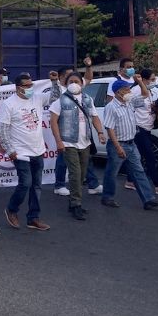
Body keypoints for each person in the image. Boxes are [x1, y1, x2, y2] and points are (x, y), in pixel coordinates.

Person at [101, 79, 158, 210]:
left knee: (139, 172)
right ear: (119, 92)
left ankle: (148, 199)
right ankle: (107, 197)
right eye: (127, 89)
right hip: (118, 144)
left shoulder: (130, 103)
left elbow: (145, 94)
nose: (130, 91)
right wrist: (118, 147)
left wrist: (140, 81)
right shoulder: (111, 107)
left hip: (131, 143)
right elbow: (110, 129)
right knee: (112, 172)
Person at [0, 73, 51, 232]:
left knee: (36, 186)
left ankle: (33, 218)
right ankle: (11, 209)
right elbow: (2, 129)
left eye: (31, 85)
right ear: (17, 87)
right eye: (26, 86)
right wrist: (9, 150)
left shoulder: (37, 98)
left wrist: (54, 81)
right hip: (20, 152)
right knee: (25, 183)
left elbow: (55, 96)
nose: (30, 88)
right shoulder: (9, 104)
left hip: (38, 150)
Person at [49, 72, 107, 220]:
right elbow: (53, 122)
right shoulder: (61, 101)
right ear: (66, 84)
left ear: (82, 83)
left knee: (81, 175)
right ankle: (76, 204)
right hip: (69, 143)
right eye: (71, 81)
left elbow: (94, 117)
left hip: (85, 142)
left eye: (76, 81)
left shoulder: (88, 99)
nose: (74, 84)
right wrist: (59, 141)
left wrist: (100, 132)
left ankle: (73, 200)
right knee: (75, 173)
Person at [48, 59, 97, 196]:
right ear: (63, 78)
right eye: (70, 76)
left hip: (83, 133)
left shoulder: (81, 89)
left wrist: (88, 66)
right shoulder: (59, 91)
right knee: (65, 161)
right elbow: (53, 113)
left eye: (76, 78)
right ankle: (60, 185)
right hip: (67, 134)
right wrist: (53, 82)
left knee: (85, 162)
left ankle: (91, 184)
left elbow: (88, 77)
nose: (74, 80)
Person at [129, 69, 158, 195]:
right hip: (139, 127)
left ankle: (130, 180)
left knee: (138, 156)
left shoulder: (151, 91)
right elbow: (136, 105)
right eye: (152, 79)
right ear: (143, 79)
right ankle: (157, 184)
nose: (154, 81)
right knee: (150, 156)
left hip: (147, 127)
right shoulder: (136, 91)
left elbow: (148, 106)